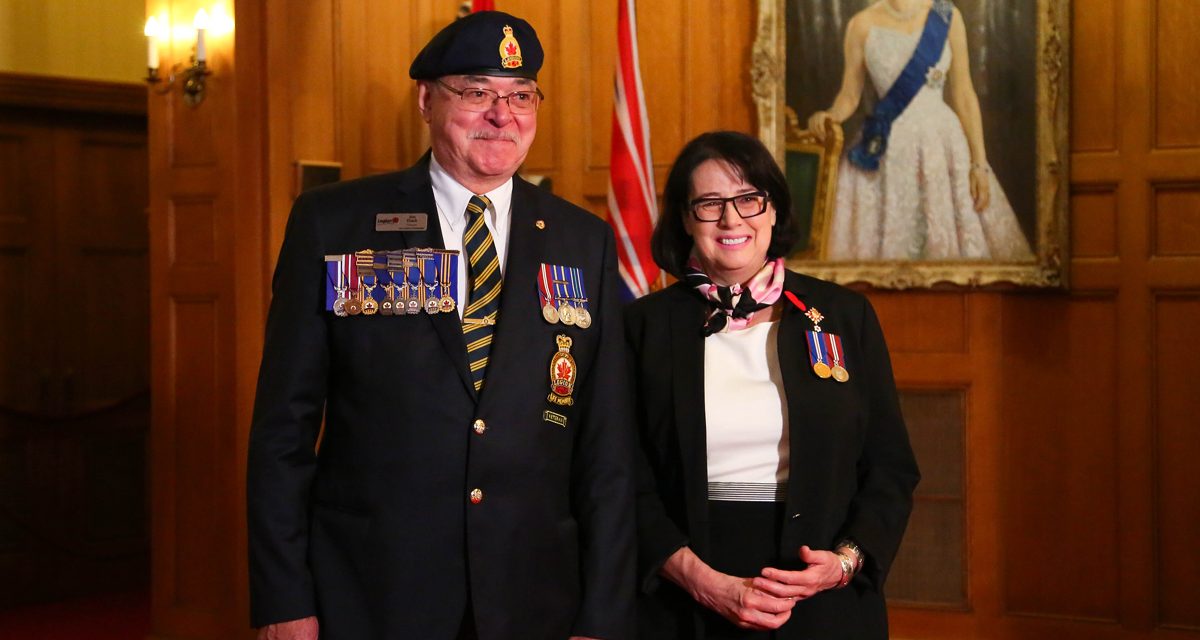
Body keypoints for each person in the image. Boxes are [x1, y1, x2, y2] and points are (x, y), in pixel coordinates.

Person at [246, 11, 636, 640]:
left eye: (520, 96)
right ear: (426, 100)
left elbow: (607, 448)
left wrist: (603, 616)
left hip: (534, 597)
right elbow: (282, 433)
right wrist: (283, 599)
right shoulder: (334, 224)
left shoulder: (581, 240)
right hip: (373, 592)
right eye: (477, 92)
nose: (502, 114)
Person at [626, 131, 920, 639]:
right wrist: (700, 581)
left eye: (748, 199)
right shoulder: (643, 328)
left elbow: (890, 467)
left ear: (774, 210)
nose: (731, 219)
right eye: (709, 203)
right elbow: (623, 478)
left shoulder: (846, 317)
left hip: (825, 601)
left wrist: (846, 562)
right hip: (687, 603)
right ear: (683, 218)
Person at [807, 0, 1033, 261]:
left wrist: (978, 163)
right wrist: (829, 115)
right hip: (884, 149)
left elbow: (963, 94)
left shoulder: (947, 17)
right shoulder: (861, 24)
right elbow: (849, 96)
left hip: (941, 147)